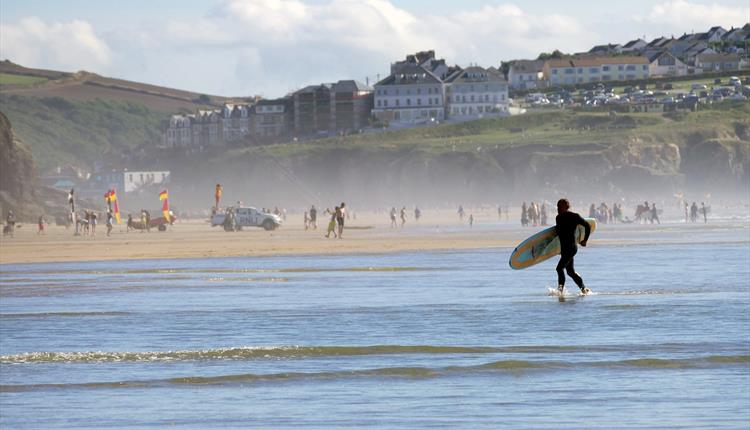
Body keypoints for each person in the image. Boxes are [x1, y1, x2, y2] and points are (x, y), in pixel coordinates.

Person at [555, 198, 591, 295]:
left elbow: (587, 225)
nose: (558, 208)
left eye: (560, 207)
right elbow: (559, 234)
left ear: (566, 207)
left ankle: (560, 292)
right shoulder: (558, 218)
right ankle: (584, 289)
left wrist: (585, 240)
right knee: (570, 272)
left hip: (571, 248)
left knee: (559, 268)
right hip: (564, 249)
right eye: (557, 206)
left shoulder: (574, 216)